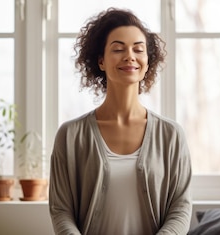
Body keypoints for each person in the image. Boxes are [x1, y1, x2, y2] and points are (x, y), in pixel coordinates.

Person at [49, 7, 193, 235]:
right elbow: (61, 210)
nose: (130, 56)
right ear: (101, 61)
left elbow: (181, 207)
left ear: (147, 61)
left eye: (138, 49)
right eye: (118, 49)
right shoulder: (70, 135)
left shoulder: (171, 135)